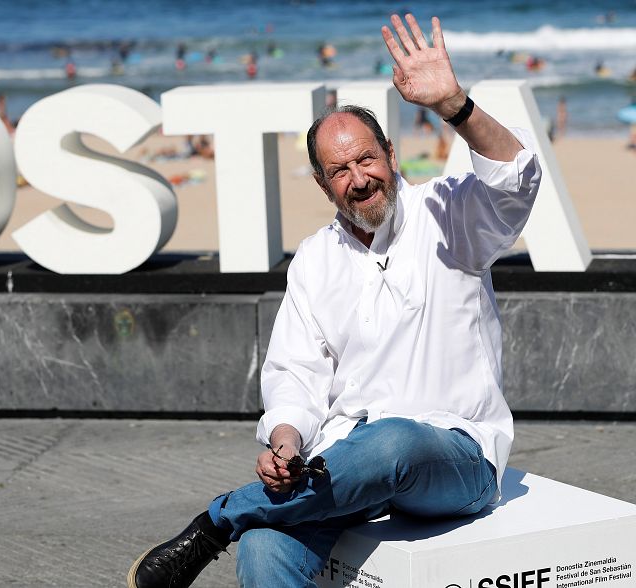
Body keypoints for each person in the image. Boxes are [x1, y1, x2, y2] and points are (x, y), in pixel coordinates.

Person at [128, 13, 541, 588]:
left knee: (393, 439)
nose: (359, 178)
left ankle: (216, 520)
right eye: (340, 170)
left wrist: (454, 105)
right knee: (266, 546)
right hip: (338, 462)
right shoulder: (315, 258)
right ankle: (244, 523)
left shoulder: (451, 214)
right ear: (324, 185)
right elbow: (296, 374)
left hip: (452, 455)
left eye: (366, 159)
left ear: (392, 155)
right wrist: (286, 440)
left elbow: (516, 178)